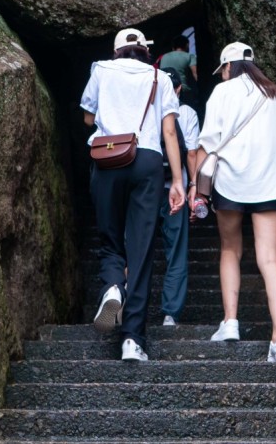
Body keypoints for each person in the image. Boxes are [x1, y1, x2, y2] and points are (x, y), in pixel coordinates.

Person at [81, 28, 186, 362]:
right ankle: (133, 341)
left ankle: (113, 286)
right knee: (141, 250)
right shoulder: (159, 77)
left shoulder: (100, 69)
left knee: (111, 240)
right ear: (144, 50)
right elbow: (170, 130)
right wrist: (179, 181)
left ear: (116, 52)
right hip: (148, 160)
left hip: (108, 157)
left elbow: (87, 117)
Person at [195, 41, 276, 363]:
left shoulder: (222, 93)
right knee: (270, 260)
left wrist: (199, 189)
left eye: (223, 70)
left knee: (230, 250)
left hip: (231, 183)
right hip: (269, 183)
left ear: (228, 66)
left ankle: (230, 322)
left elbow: (207, 143)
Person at [157, 68, 201, 328]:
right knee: (176, 251)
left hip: (146, 189)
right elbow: (192, 153)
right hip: (178, 190)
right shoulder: (186, 113)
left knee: (135, 247)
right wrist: (193, 185)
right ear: (179, 89)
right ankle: (170, 313)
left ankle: (123, 297)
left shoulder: (149, 109)